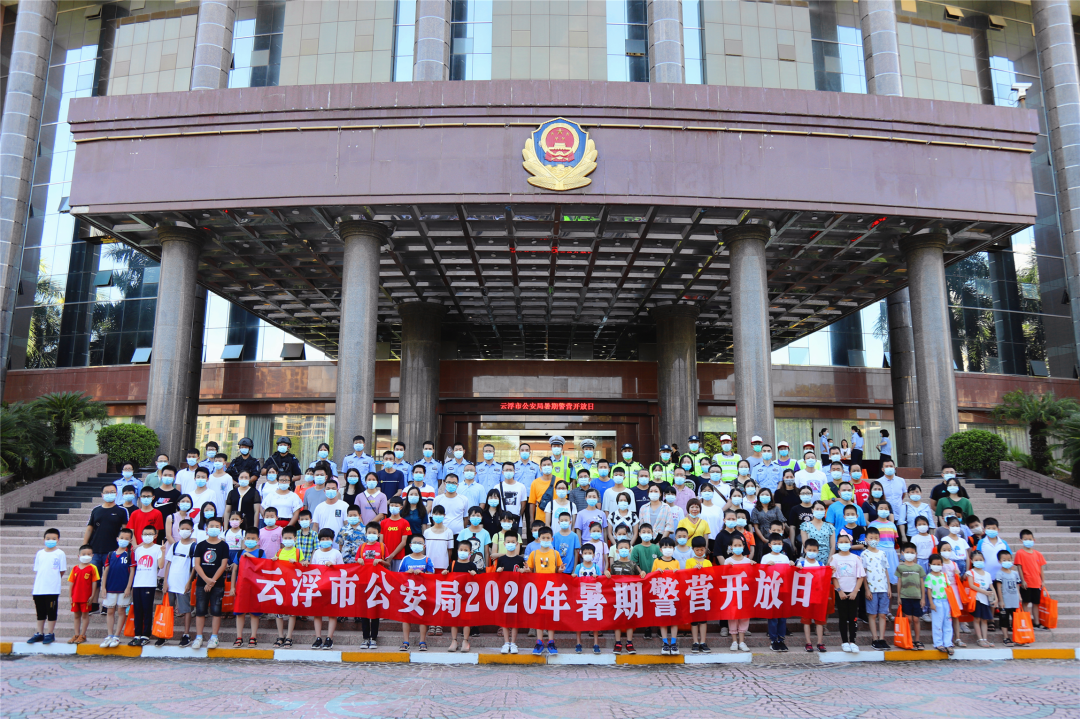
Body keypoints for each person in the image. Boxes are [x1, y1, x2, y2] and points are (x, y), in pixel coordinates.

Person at [83, 483, 128, 611]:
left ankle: (107, 604)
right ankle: (93, 604)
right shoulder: (96, 510)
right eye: (106, 492)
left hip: (113, 551)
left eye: (112, 492)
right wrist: (85, 546)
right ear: (102, 495)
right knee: (94, 579)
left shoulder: (121, 511)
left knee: (109, 578)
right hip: (95, 549)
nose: (109, 494)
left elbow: (125, 530)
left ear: (116, 493)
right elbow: (89, 529)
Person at [523, 526, 563, 654]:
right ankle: (539, 642)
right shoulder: (534, 554)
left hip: (551, 588)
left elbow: (558, 570)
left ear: (552, 539)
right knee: (539, 616)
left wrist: (560, 570)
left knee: (550, 616)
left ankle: (551, 642)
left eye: (548, 538)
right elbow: (530, 569)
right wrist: (527, 570)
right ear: (539, 539)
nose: (545, 540)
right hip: (538, 588)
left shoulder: (555, 553)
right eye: (543, 538)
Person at [191, 517, 229, 650]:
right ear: (206, 529)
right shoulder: (200, 545)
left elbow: (223, 565)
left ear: (221, 529)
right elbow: (197, 564)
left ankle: (214, 637)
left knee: (216, 610)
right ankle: (199, 637)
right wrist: (207, 580)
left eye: (217, 526)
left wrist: (212, 581)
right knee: (200, 610)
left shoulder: (223, 545)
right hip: (202, 582)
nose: (214, 528)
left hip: (217, 584)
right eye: (211, 526)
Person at [161, 519, 196, 647]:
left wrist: (189, 582)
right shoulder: (175, 545)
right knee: (168, 609)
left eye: (188, 529)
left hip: (183, 582)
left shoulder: (194, 547)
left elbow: (194, 567)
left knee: (186, 609)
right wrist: (165, 581)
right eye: (183, 529)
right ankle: (164, 634)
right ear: (178, 530)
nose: (185, 531)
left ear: (192, 531)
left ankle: (186, 634)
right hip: (171, 582)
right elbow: (168, 563)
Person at [99, 527, 135, 648]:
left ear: (130, 541)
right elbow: (105, 571)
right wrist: (103, 587)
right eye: (122, 537)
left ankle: (117, 636)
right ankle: (109, 635)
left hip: (123, 588)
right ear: (117, 539)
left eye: (127, 538)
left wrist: (128, 587)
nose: (123, 540)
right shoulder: (111, 554)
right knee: (110, 611)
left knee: (121, 611)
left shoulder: (130, 554)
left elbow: (132, 571)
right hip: (110, 588)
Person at [228, 529, 265, 647]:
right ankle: (239, 637)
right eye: (248, 538)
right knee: (240, 612)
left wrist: (250, 556)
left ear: (258, 540)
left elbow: (263, 567)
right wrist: (232, 587)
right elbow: (234, 570)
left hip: (255, 587)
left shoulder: (261, 553)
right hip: (241, 586)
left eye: (253, 538)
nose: (250, 540)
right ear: (244, 539)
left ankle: (253, 637)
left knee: (254, 613)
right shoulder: (240, 553)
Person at [830, 533, 866, 653]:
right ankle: (844, 641)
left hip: (854, 592)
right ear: (837, 544)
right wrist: (839, 591)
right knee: (843, 617)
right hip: (840, 592)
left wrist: (855, 591)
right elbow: (833, 576)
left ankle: (853, 641)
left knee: (853, 617)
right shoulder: (834, 558)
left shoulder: (856, 558)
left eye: (846, 542)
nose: (844, 544)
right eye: (841, 542)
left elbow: (860, 576)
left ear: (850, 544)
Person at [309, 529, 344, 649]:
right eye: (322, 539)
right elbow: (313, 569)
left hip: (332, 587)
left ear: (332, 540)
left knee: (332, 613)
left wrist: (333, 567)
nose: (325, 541)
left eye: (327, 539)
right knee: (317, 613)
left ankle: (329, 638)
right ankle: (318, 638)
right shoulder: (317, 553)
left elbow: (343, 570)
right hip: (318, 586)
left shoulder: (336, 553)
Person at [399, 535, 434, 652]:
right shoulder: (405, 559)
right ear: (410, 545)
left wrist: (423, 574)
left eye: (420, 543)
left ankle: (422, 641)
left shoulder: (427, 559)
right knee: (406, 617)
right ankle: (405, 641)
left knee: (422, 617)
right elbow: (398, 576)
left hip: (422, 593)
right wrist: (407, 573)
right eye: (415, 542)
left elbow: (432, 576)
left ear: (424, 546)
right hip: (408, 593)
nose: (417, 545)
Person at [129, 525, 163, 646]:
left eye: (150, 534)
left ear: (155, 535)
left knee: (147, 609)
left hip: (149, 583)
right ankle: (137, 634)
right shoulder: (138, 550)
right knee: (137, 609)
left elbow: (161, 565)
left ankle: (146, 635)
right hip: (137, 583)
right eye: (145, 534)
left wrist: (163, 552)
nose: (147, 536)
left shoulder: (158, 548)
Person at [860, 526, 891, 651]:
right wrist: (866, 589)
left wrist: (889, 587)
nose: (874, 540)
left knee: (882, 614)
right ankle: (875, 638)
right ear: (866, 539)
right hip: (872, 589)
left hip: (883, 588)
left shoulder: (882, 553)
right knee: (872, 615)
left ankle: (882, 638)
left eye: (876, 538)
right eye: (871, 538)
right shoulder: (864, 554)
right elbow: (863, 573)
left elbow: (886, 570)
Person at [272, 527, 304, 648]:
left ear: (295, 538)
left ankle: (289, 637)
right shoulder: (279, 552)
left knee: (292, 612)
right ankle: (280, 636)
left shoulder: (298, 552)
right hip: (280, 585)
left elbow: (303, 566)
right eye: (285, 538)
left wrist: (296, 563)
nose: (287, 540)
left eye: (290, 538)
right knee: (278, 612)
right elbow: (272, 567)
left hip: (293, 586)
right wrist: (273, 560)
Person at [760, 532, 792, 652]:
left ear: (782, 544)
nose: (777, 545)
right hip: (771, 590)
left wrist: (792, 565)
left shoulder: (785, 558)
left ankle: (781, 639)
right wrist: (766, 566)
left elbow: (789, 574)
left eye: (779, 543)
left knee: (783, 617)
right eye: (774, 543)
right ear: (769, 545)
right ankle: (773, 640)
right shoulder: (766, 558)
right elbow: (761, 573)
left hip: (783, 590)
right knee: (773, 617)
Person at [495, 530, 526, 654]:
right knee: (505, 617)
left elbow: (526, 575)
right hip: (504, 592)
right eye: (508, 542)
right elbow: (496, 577)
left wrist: (524, 571)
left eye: (513, 542)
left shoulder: (520, 559)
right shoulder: (501, 559)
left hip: (517, 592)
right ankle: (506, 642)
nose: (510, 544)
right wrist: (498, 571)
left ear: (517, 543)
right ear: (504, 543)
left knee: (515, 618)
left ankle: (513, 642)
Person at [651, 537, 682, 655]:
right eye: (665, 547)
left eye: (670, 547)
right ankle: (665, 643)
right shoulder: (657, 561)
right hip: (661, 595)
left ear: (674, 549)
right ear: (660, 549)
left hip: (673, 594)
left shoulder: (676, 562)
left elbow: (680, 578)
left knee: (674, 619)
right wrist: (656, 572)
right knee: (663, 619)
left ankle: (673, 643)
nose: (668, 549)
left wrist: (677, 573)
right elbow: (651, 577)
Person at [724, 535, 755, 652]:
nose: (737, 547)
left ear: (743, 546)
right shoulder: (728, 561)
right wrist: (727, 568)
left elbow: (752, 578)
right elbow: (723, 578)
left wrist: (754, 567)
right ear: (731, 547)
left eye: (740, 545)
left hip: (745, 594)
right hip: (732, 593)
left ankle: (742, 641)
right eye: (735, 545)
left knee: (744, 616)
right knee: (733, 616)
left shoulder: (748, 561)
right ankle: (734, 641)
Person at [684, 536, 713, 653]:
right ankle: (695, 641)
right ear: (693, 549)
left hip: (705, 594)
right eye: (697, 550)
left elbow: (712, 577)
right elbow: (686, 576)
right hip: (693, 594)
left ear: (705, 549)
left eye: (702, 550)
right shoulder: (689, 561)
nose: (700, 552)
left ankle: (703, 642)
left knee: (703, 620)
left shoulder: (708, 562)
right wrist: (694, 570)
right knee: (694, 620)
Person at [797, 538, 826, 652]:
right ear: (805, 550)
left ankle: (820, 642)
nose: (812, 552)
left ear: (818, 551)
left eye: (814, 550)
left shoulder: (821, 564)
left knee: (819, 621)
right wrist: (797, 569)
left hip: (818, 596)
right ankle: (808, 642)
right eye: (809, 550)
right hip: (805, 597)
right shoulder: (801, 563)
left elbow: (824, 579)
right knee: (806, 621)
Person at [1015, 529, 1047, 630]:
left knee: (1036, 603)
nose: (1028, 541)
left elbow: (1041, 568)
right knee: (1025, 602)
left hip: (1037, 583)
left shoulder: (1038, 554)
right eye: (1025, 539)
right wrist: (1022, 580)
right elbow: (1019, 567)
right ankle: (1027, 621)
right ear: (1021, 540)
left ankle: (1036, 623)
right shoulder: (1020, 553)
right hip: (1026, 583)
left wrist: (1043, 581)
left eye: (1030, 539)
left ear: (1034, 539)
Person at [896, 541, 927, 649]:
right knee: (908, 619)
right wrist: (898, 596)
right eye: (907, 552)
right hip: (905, 597)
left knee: (916, 619)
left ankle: (917, 640)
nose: (910, 554)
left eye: (912, 552)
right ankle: (908, 640)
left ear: (916, 554)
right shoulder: (900, 568)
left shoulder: (918, 568)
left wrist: (923, 598)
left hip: (917, 597)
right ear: (903, 553)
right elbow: (899, 582)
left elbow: (922, 583)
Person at [573, 543, 602, 655]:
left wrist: (598, 577)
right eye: (585, 553)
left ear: (594, 555)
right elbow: (574, 580)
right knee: (578, 621)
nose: (588, 555)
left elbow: (601, 580)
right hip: (581, 597)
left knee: (594, 620)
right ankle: (578, 643)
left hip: (593, 597)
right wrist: (573, 577)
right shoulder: (579, 567)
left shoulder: (596, 567)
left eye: (590, 553)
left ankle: (596, 644)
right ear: (581, 554)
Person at [67, 545, 99, 645]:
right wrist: (70, 596)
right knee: (76, 616)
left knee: (85, 616)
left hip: (86, 597)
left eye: (89, 554)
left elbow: (94, 582)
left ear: (92, 555)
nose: (86, 556)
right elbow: (71, 582)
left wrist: (92, 595)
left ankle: (83, 635)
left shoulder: (93, 568)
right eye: (84, 554)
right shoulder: (75, 568)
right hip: (75, 597)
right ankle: (76, 634)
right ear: (79, 556)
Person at [925, 553, 954, 654]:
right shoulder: (929, 576)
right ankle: (938, 643)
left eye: (939, 564)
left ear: (942, 564)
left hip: (946, 601)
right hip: (936, 601)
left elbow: (948, 588)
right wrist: (931, 603)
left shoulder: (944, 575)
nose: (937, 566)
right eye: (934, 564)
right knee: (937, 623)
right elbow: (928, 591)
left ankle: (948, 643)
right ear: (930, 564)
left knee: (948, 622)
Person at [967, 549, 997, 647]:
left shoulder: (987, 574)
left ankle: (985, 639)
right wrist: (984, 592)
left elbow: (991, 587)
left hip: (986, 600)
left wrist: (996, 598)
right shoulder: (970, 572)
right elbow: (971, 585)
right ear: (972, 561)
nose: (978, 561)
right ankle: (980, 639)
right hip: (977, 599)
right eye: (976, 560)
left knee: (984, 619)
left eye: (980, 559)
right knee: (977, 619)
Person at [800, 500, 835, 566]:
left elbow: (833, 546)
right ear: (812, 510)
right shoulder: (805, 525)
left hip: (826, 559)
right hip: (810, 560)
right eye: (817, 509)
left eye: (821, 509)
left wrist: (829, 561)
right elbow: (805, 544)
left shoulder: (830, 527)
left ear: (825, 511)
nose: (819, 511)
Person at [381, 497, 412, 570]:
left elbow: (403, 542)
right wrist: (385, 555)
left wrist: (391, 555)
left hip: (399, 557)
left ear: (401, 507)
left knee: (397, 576)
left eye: (396, 506)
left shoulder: (405, 523)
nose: (393, 507)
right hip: (385, 557)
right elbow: (381, 541)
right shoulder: (383, 522)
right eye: (391, 505)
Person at [423, 506, 454, 573]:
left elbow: (450, 550)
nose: (438, 516)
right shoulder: (427, 532)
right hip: (429, 565)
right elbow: (424, 549)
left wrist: (447, 564)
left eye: (440, 514)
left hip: (443, 566)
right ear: (432, 515)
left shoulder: (449, 532)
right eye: (436, 514)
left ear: (444, 515)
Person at [551, 510, 581, 575]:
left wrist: (574, 569)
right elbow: (553, 552)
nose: (564, 522)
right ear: (558, 522)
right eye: (562, 521)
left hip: (570, 568)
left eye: (566, 520)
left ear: (570, 522)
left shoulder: (574, 536)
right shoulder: (555, 536)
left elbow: (576, 553)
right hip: (558, 569)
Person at [786, 484, 815, 550]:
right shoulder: (795, 509)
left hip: (814, 540)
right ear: (799, 495)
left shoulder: (816, 508)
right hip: (799, 541)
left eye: (808, 493)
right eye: (803, 493)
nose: (805, 495)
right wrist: (792, 544)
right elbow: (792, 527)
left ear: (812, 495)